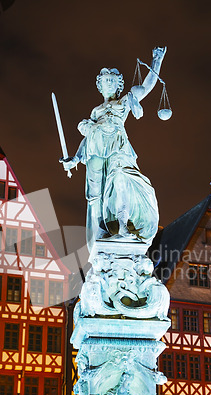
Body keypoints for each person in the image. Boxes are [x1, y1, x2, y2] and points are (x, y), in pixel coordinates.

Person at [61, 47, 167, 251]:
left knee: (121, 182)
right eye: (104, 81)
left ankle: (122, 227)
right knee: (96, 195)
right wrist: (75, 159)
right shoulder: (96, 111)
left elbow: (147, 86)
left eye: (111, 81)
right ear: (100, 87)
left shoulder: (124, 101)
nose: (107, 83)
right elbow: (89, 136)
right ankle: (100, 233)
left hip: (117, 148)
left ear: (118, 85)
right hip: (95, 152)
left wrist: (157, 61)